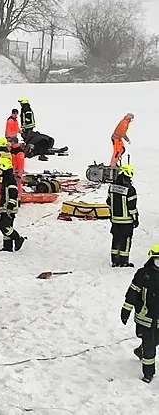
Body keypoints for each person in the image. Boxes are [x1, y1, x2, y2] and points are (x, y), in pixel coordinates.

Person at [120, 244, 159, 383]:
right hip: (145, 318)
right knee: (150, 346)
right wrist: (126, 310)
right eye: (157, 261)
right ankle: (148, 373)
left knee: (155, 341)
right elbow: (132, 292)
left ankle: (140, 351)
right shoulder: (143, 274)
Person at [108, 164, 139, 268]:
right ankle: (124, 261)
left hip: (115, 220)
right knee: (125, 240)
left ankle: (115, 260)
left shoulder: (112, 187)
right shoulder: (130, 190)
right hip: (126, 221)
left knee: (116, 239)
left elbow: (108, 202)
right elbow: (132, 207)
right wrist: (135, 219)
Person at [0, 157, 26, 252]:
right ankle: (7, 247)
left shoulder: (10, 180)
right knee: (8, 226)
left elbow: (13, 194)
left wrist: (9, 207)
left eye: (0, 168)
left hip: (9, 208)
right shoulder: (6, 178)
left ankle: (18, 238)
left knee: (3, 225)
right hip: (5, 207)